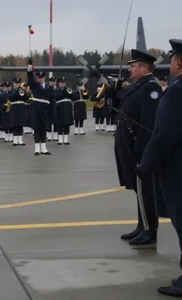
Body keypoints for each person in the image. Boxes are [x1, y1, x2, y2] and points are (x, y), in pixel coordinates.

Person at [137, 39, 182, 297]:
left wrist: (147, 163)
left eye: (173, 59)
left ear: (177, 62)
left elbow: (164, 133)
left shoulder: (176, 91)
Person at [112, 49, 162, 246]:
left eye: (133, 66)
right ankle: (142, 226)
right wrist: (113, 91)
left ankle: (150, 230)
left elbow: (148, 123)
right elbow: (118, 104)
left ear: (143, 67)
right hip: (129, 144)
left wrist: (142, 149)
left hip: (139, 147)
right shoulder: (138, 85)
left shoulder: (151, 88)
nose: (130, 70)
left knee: (145, 189)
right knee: (138, 189)